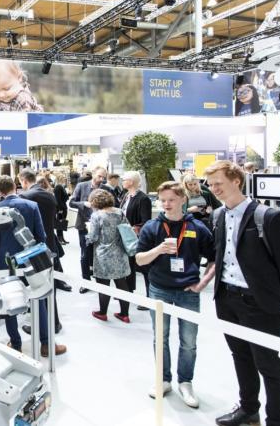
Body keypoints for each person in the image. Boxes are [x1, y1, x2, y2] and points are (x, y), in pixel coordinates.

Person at [205, 161, 280, 426]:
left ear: (236, 181)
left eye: (219, 183)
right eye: (211, 184)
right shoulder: (218, 216)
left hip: (259, 303)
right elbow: (219, 255)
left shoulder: (269, 217)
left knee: (268, 364)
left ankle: (276, 420)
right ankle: (248, 409)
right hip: (226, 299)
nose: (214, 188)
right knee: (240, 357)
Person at [135, 181, 216, 409]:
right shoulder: (152, 227)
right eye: (163, 200)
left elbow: (214, 259)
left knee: (188, 341)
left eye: (171, 199)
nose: (166, 204)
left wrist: (202, 283)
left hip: (188, 292)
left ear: (183, 199)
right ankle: (163, 380)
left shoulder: (197, 227)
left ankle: (185, 382)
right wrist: (159, 249)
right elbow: (139, 259)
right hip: (159, 289)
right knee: (160, 337)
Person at [0, 175, 66, 357]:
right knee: (38, 299)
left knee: (10, 301)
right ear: (15, 187)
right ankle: (46, 344)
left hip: (6, 262)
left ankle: (15, 344)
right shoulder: (31, 206)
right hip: (31, 260)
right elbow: (41, 236)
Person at [18, 170, 66, 333]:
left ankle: (42, 326)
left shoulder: (25, 197)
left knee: (37, 287)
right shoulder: (49, 196)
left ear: (24, 180)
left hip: (34, 248)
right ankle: (54, 322)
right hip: (49, 245)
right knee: (49, 287)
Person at [85, 189, 132, 323]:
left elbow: (93, 237)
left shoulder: (97, 215)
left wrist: (86, 235)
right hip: (120, 253)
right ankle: (125, 314)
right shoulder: (119, 212)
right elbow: (127, 229)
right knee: (122, 284)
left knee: (103, 285)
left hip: (103, 255)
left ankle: (103, 313)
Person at [70, 166, 108, 293]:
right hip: (84, 226)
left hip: (101, 226)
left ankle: (100, 281)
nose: (101, 179)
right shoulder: (81, 186)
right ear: (93, 174)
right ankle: (85, 282)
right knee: (85, 254)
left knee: (100, 253)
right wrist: (83, 204)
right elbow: (71, 202)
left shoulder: (106, 188)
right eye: (99, 176)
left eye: (103, 177)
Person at [120, 171, 153, 305]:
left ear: (131, 181)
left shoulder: (143, 199)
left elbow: (146, 221)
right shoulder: (126, 195)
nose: (122, 182)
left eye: (124, 179)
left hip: (137, 238)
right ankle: (129, 292)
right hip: (126, 236)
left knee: (144, 267)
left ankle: (150, 298)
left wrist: (134, 229)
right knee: (128, 265)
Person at [53, 173, 69, 246]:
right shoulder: (58, 187)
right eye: (63, 178)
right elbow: (58, 199)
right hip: (60, 208)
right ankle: (59, 238)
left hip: (63, 207)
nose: (65, 179)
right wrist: (60, 209)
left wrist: (68, 194)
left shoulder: (61, 187)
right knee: (59, 223)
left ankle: (62, 238)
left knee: (62, 223)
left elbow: (64, 198)